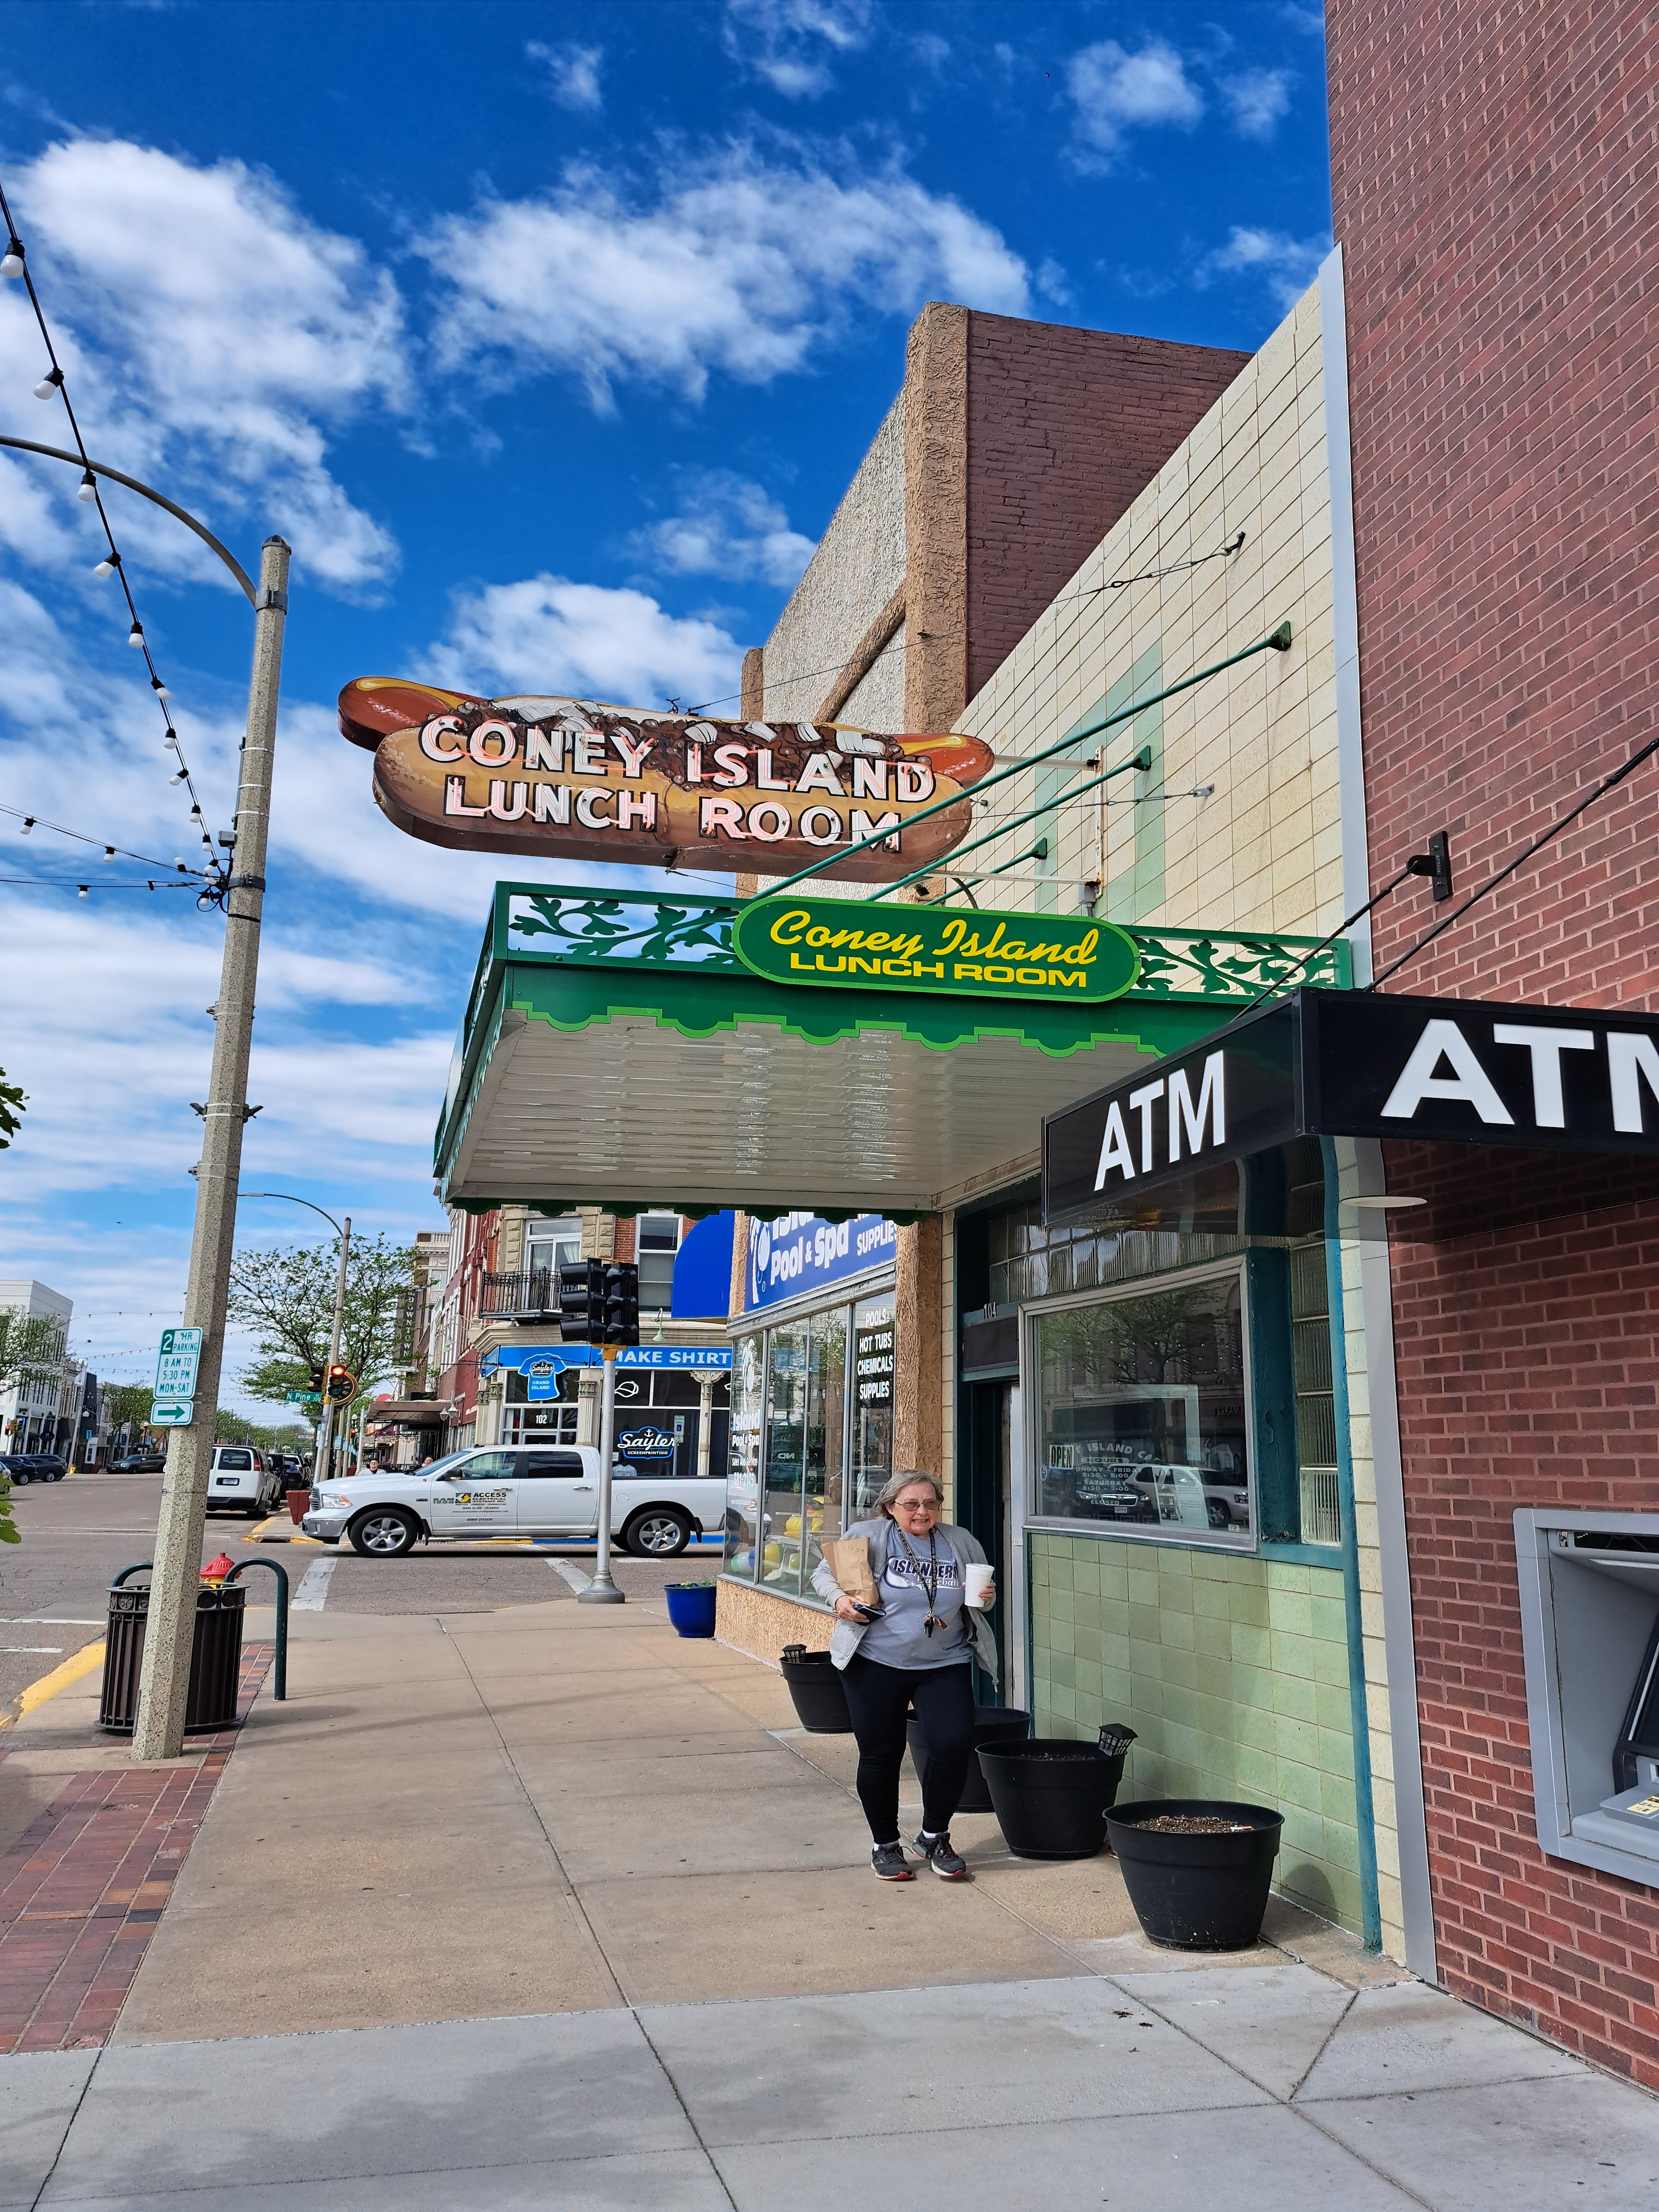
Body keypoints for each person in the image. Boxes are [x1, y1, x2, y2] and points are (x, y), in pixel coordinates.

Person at [810, 1470, 996, 1882]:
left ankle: (934, 1835)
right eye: (910, 1504)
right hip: (875, 1662)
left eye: (930, 1503)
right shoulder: (871, 1535)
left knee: (951, 1746)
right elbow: (822, 1574)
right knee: (881, 1754)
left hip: (943, 1662)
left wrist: (985, 1596)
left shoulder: (959, 1539)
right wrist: (840, 1600)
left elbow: (983, 1596)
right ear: (890, 1506)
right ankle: (885, 1844)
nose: (922, 1511)